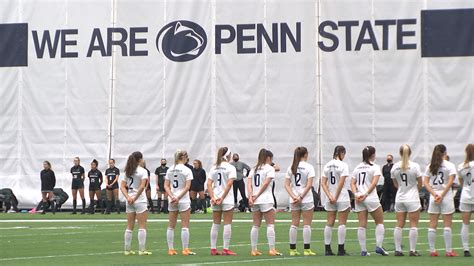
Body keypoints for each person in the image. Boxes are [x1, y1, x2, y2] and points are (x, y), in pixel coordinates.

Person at [351, 146, 388, 256]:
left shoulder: (357, 167)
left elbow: (352, 183)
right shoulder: (375, 167)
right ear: (372, 155)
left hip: (359, 199)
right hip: (370, 198)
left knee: (362, 225)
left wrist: (356, 194)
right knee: (379, 222)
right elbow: (374, 183)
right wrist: (365, 194)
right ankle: (379, 246)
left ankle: (363, 250)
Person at [424, 144, 457, 257]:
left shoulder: (430, 166)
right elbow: (450, 182)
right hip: (445, 196)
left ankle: (432, 250)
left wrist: (434, 194)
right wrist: (442, 195)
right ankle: (448, 251)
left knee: (432, 224)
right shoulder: (450, 165)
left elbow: (426, 183)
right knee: (447, 225)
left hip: (434, 197)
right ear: (445, 153)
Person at [248, 148, 282, 256]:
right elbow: (266, 184)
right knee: (270, 225)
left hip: (255, 200)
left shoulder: (254, 169)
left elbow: (249, 184)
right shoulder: (269, 168)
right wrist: (257, 195)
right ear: (268, 158)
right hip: (266, 199)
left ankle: (254, 250)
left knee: (255, 225)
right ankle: (272, 249)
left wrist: (250, 196)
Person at [391, 144, 423, 256]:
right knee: (413, 224)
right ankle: (412, 250)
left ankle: (398, 250)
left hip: (400, 197)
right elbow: (420, 183)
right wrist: (414, 191)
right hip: (412, 198)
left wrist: (403, 189)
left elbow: (395, 184)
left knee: (399, 224)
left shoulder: (394, 167)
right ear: (410, 153)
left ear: (400, 153)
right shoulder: (415, 166)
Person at [284, 147, 316, 256]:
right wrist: (301, 197)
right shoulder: (309, 167)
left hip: (294, 199)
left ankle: (292, 249)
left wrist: (294, 196)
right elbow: (309, 185)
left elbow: (286, 185)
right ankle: (307, 249)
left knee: (294, 223)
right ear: (305, 154)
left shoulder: (291, 167)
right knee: (306, 224)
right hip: (306, 198)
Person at [121, 151, 152, 255]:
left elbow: (122, 186)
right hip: (140, 200)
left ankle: (127, 250)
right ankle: (142, 250)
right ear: (140, 159)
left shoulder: (128, 170)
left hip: (129, 200)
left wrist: (128, 197)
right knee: (142, 226)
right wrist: (135, 198)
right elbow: (142, 186)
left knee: (129, 226)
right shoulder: (143, 171)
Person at [165, 150, 195, 256]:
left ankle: (170, 249)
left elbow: (166, 186)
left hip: (172, 199)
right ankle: (185, 249)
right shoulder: (187, 170)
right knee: (185, 225)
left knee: (171, 226)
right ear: (184, 157)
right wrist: (178, 197)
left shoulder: (170, 169)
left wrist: (172, 196)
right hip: (183, 199)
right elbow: (187, 187)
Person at [321, 145, 350, 256]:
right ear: (341, 153)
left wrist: (329, 196)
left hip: (330, 197)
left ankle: (327, 249)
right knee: (342, 223)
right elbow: (341, 183)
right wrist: (336, 196)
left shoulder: (327, 165)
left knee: (329, 223)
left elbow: (323, 183)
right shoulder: (343, 165)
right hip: (341, 196)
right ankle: (341, 249)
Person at [208, 147, 237, 255]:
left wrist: (213, 197)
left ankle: (213, 249)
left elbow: (209, 184)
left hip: (216, 197)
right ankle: (225, 249)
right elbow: (229, 184)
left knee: (215, 223)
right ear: (228, 156)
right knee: (227, 223)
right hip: (227, 198)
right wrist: (222, 198)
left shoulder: (213, 168)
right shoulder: (230, 167)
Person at [458, 143, 474, 257]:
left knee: (465, 223)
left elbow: (461, 183)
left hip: (466, 195)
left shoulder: (461, 166)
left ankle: (466, 249)